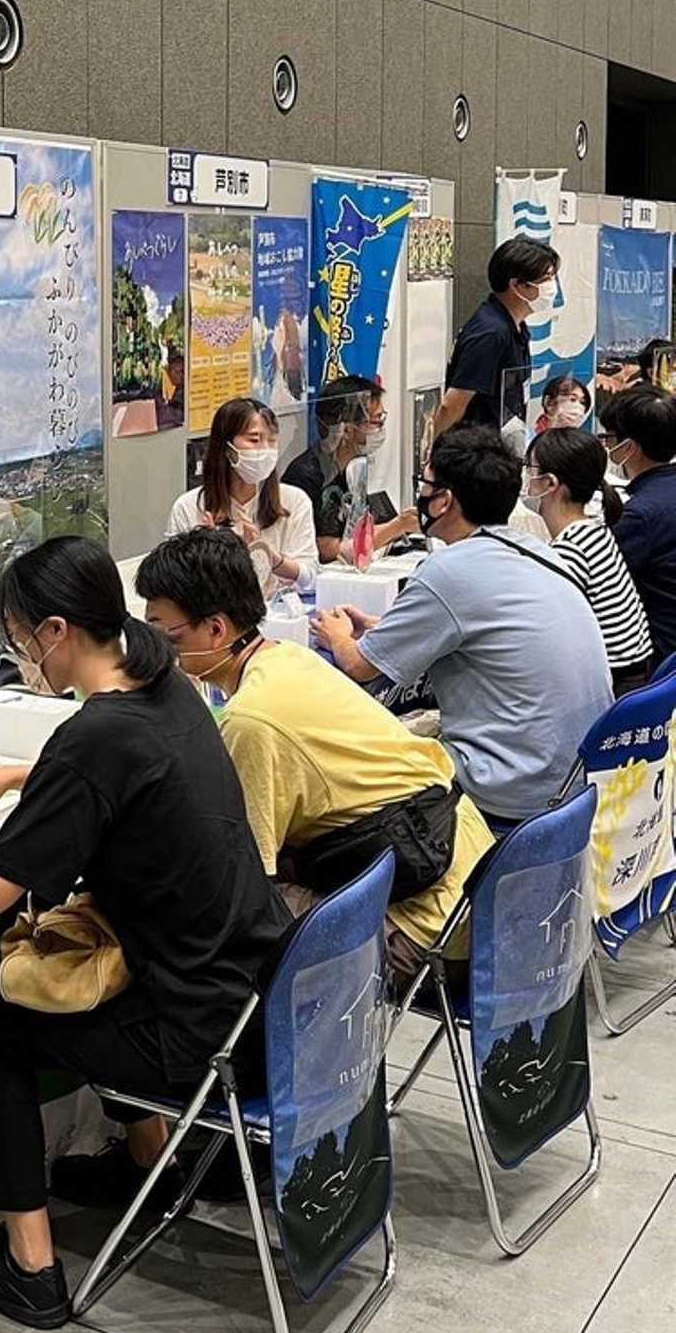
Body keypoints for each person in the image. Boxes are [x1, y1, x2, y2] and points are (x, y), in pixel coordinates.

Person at [0, 537, 289, 1329]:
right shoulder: (164, 679)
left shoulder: (97, 735)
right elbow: (123, 773)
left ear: (55, 631)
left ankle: (30, 1266)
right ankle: (151, 1159)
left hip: (194, 1027)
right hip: (250, 989)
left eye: (20, 637)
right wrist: (20, 774)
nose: (20, 655)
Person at [136, 528, 494, 987]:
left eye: (163, 636)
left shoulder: (250, 720)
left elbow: (245, 880)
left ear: (216, 628)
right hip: (472, 889)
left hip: (426, 932)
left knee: (197, 917)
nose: (154, 651)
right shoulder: (291, 658)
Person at [310, 427, 611, 822]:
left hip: (511, 787)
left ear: (444, 501)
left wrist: (337, 637)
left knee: (348, 773)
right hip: (577, 779)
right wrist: (388, 628)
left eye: (425, 485)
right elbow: (485, 627)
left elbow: (359, 666)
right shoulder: (535, 551)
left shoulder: (447, 570)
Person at [523, 428, 652, 693]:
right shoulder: (595, 529)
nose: (525, 477)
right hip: (634, 674)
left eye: (529, 468)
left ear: (550, 483)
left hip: (609, 684)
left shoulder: (569, 550)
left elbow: (551, 639)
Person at [166, 397, 318, 596]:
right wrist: (210, 556)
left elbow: (311, 580)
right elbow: (174, 585)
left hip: (278, 610)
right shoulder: (189, 507)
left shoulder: (294, 501)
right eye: (254, 440)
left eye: (272, 440)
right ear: (227, 449)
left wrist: (268, 556)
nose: (265, 449)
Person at [281, 374, 419, 562]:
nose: (380, 428)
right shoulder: (308, 475)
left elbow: (354, 531)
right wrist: (398, 526)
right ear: (346, 429)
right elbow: (326, 549)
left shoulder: (353, 467)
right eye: (376, 420)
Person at [433, 237, 560, 439]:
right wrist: (434, 450)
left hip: (503, 444)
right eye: (545, 279)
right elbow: (452, 405)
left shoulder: (516, 326)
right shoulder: (490, 333)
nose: (552, 286)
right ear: (516, 285)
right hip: (475, 450)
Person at [604, 386, 676, 668]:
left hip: (657, 656)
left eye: (609, 438)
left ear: (629, 447)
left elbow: (600, 580)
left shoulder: (640, 516)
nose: (606, 446)